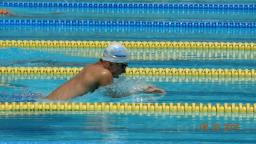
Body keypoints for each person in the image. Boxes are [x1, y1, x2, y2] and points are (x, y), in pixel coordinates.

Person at [47, 42, 165, 100]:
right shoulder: (104, 73)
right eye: (123, 66)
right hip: (56, 106)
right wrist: (142, 91)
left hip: (48, 101)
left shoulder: (92, 67)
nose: (124, 71)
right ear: (110, 64)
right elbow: (113, 96)